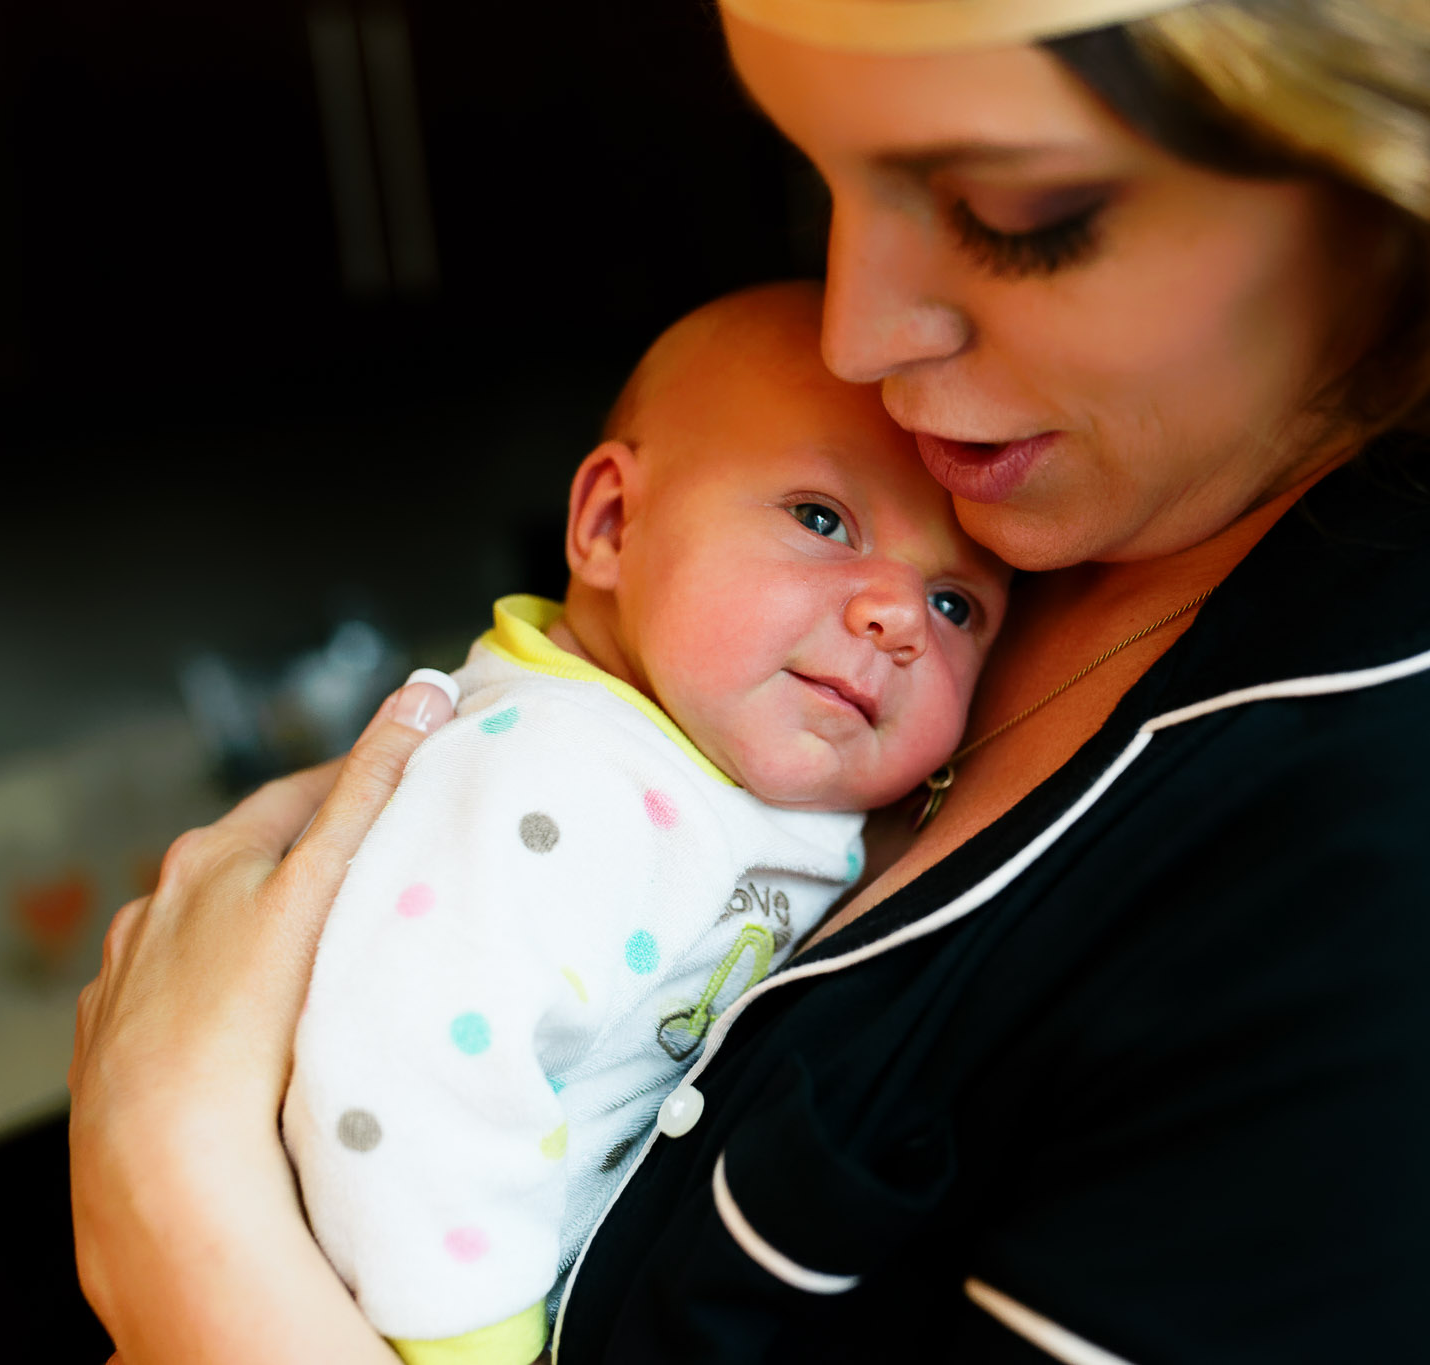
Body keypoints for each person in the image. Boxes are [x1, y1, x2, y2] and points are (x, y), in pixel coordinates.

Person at [69, 1, 1430, 1360]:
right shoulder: (1025, 512)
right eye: (820, 170)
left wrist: (185, 1219)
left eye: (1013, 210)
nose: (856, 335)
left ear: (1424, 173)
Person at [280, 283, 1007, 1365]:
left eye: (956, 605)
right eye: (821, 519)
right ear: (612, 523)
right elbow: (407, 1069)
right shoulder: (557, 776)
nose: (898, 616)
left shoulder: (709, 768)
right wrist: (470, 1349)